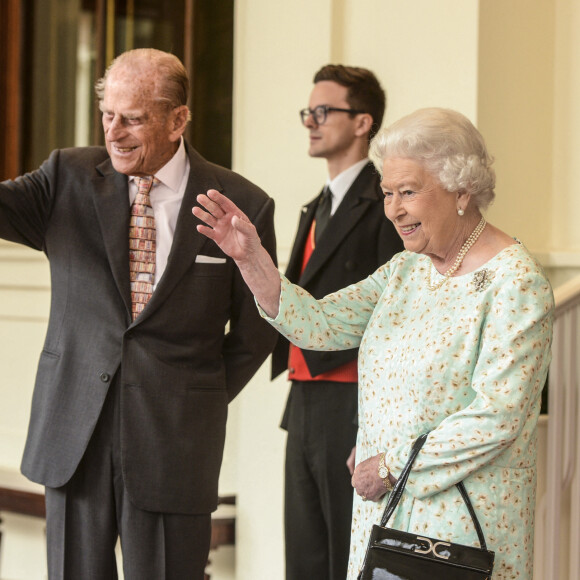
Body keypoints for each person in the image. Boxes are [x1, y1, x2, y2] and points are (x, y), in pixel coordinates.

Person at [193, 107, 554, 579]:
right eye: (387, 193)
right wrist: (251, 259)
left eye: (408, 192)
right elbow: (319, 325)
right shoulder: (406, 271)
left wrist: (390, 465)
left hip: (464, 523)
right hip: (385, 509)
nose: (394, 209)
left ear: (462, 189)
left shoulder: (515, 282)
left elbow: (497, 416)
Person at [0, 48, 277, 579]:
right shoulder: (66, 176)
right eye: (108, 114)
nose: (115, 132)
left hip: (175, 437)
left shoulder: (242, 202)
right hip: (74, 434)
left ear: (178, 120)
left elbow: (258, 325)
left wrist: (201, 390)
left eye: (133, 119)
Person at [271, 64, 403, 580]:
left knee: (346, 561)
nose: (311, 120)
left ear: (363, 122)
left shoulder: (386, 203)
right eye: (309, 111)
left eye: (324, 111)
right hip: (302, 402)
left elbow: (395, 319)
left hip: (352, 405)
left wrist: (378, 428)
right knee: (303, 558)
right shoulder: (315, 206)